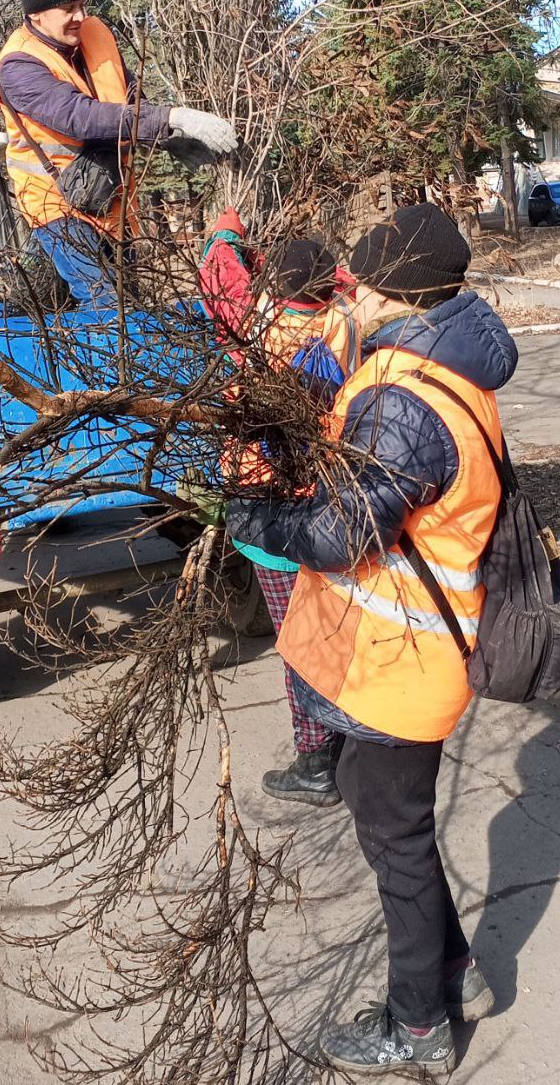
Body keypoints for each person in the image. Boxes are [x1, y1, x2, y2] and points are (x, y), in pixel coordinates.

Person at [226, 203, 518, 1075]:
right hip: (395, 656)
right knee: (373, 803)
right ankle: (453, 969)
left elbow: (340, 533)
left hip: (404, 663)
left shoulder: (405, 401)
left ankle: (417, 1026)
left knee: (395, 842)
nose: (346, 294)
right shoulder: (432, 372)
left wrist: (255, 514)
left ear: (391, 292)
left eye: (361, 281)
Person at [197, 209, 359, 804]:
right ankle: (349, 738)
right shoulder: (347, 322)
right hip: (331, 496)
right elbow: (345, 280)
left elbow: (221, 279)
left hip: (269, 503)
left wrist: (227, 232)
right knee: (333, 624)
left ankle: (317, 761)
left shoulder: (257, 328)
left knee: (296, 635)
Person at [0, 0, 237, 303]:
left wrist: (167, 139)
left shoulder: (96, 33)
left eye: (82, 5)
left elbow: (128, 93)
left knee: (130, 305)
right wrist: (172, 117)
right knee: (105, 302)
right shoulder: (18, 65)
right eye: (68, 9)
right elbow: (80, 117)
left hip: (111, 202)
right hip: (56, 208)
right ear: (36, 14)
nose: (80, 16)